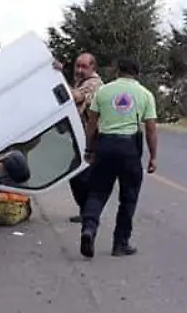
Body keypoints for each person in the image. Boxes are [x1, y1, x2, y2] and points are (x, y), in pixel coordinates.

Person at [79, 57, 157, 258]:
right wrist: (153, 157)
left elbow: (92, 124)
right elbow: (150, 129)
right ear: (137, 73)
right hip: (129, 148)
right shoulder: (145, 95)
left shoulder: (103, 92)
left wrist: (89, 148)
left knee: (97, 192)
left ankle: (88, 229)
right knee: (128, 198)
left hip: (104, 146)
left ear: (117, 71)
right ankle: (120, 243)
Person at [65, 53, 104, 223]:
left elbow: (74, 97)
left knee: (83, 175)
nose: (79, 70)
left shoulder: (94, 83)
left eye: (84, 67)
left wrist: (56, 77)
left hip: (93, 138)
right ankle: (85, 211)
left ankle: (89, 214)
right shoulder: (81, 82)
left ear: (93, 68)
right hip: (81, 137)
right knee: (76, 175)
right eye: (78, 66)